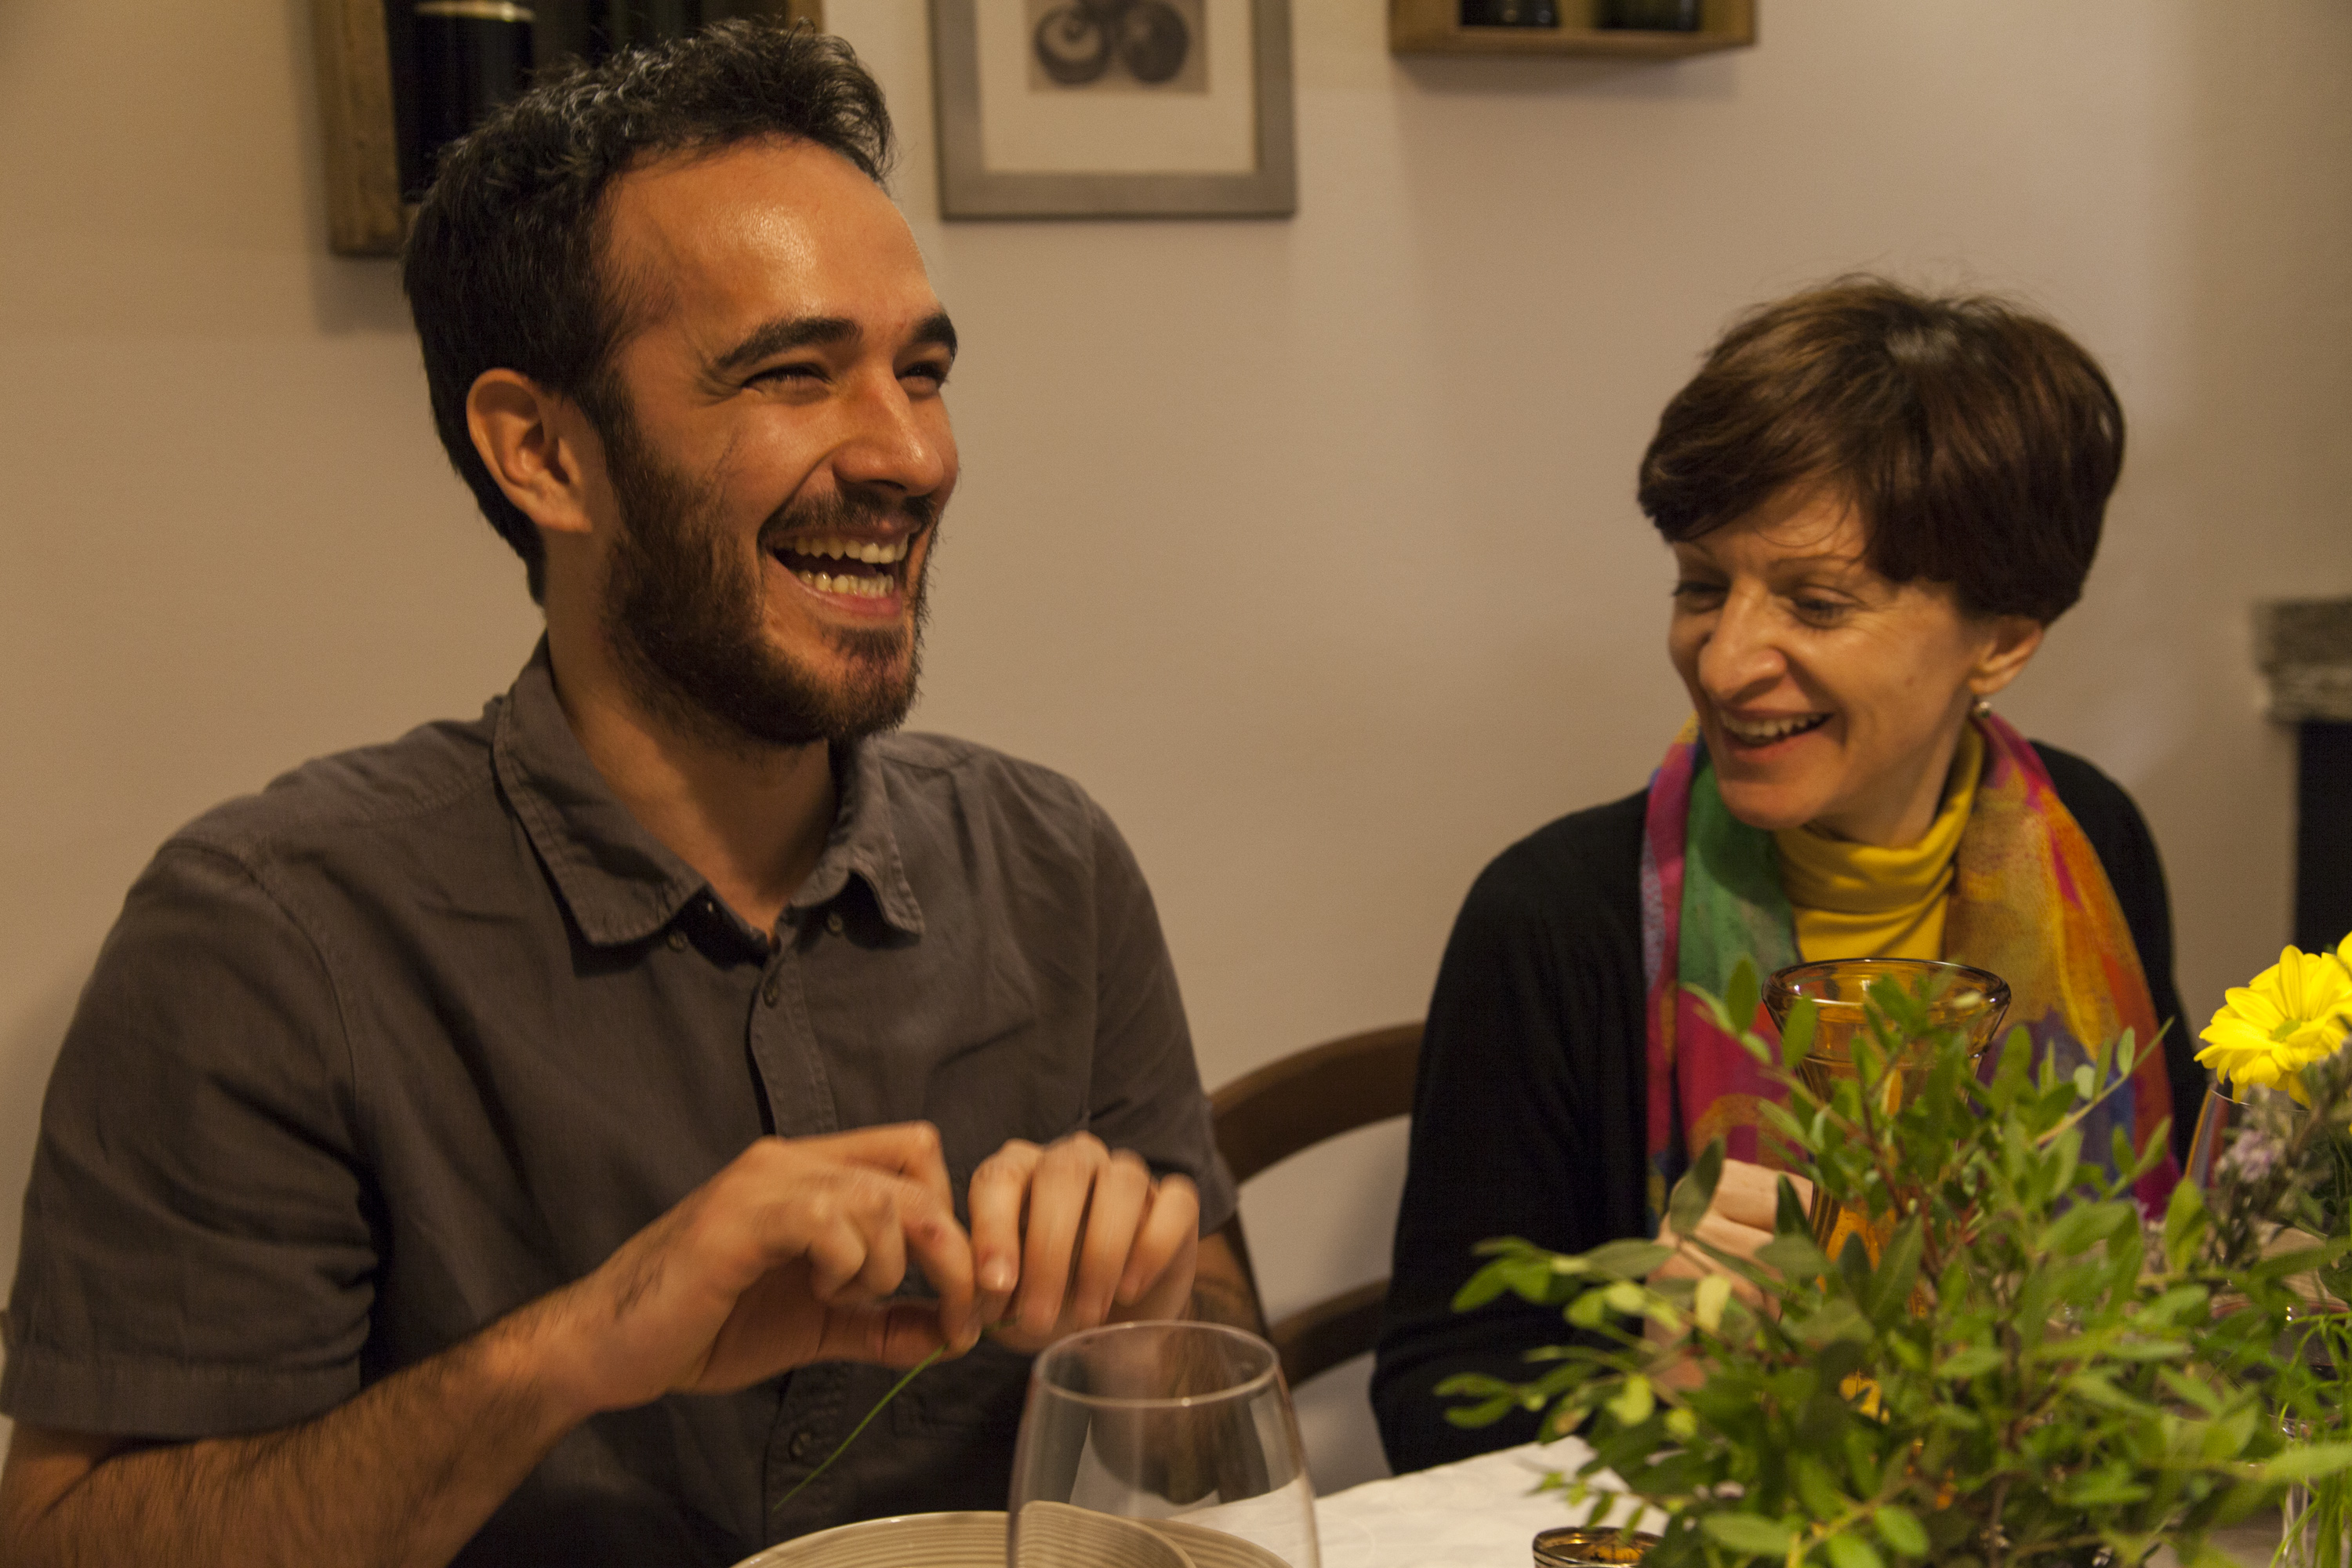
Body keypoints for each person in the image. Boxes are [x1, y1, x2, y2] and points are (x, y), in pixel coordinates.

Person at [0, 24, 1254, 1566]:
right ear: (543, 453)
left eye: (921, 373)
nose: (912, 455)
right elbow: (71, 1541)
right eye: (793, 375)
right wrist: (579, 1348)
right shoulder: (272, 938)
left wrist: (1153, 1319)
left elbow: (1216, 1430)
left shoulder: (1050, 864)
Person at [1371, 278, 2202, 1472]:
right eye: (1702, 586)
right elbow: (1432, 1407)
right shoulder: (1555, 920)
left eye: (1815, 603)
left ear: (2004, 640)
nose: (1724, 661)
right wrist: (1655, 1373)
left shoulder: (2092, 838)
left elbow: (2173, 1268)